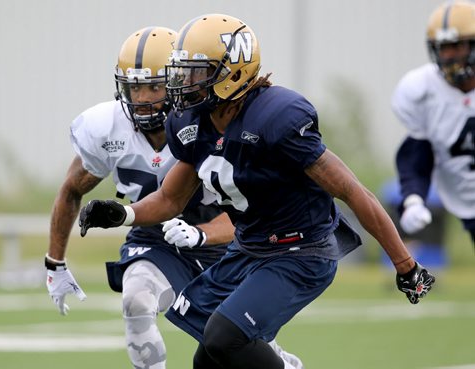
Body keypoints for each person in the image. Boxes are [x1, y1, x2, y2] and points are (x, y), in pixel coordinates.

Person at [78, 14, 436, 369]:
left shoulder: (275, 118)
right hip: (249, 248)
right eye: (182, 72)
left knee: (224, 337)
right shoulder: (191, 124)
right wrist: (123, 214)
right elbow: (171, 199)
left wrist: (405, 265)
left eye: (196, 73)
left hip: (300, 251)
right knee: (209, 356)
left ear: (232, 72)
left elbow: (353, 192)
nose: (184, 83)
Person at [45, 26, 236, 369]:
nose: (143, 98)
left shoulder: (210, 122)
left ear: (178, 82)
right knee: (136, 301)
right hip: (155, 240)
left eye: (154, 86)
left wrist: (203, 234)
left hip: (221, 244)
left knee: (235, 347)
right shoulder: (108, 128)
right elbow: (72, 188)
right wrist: (54, 263)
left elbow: (248, 213)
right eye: (134, 87)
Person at [392, 0, 475, 245]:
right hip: (468, 203)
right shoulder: (421, 90)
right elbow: (417, 153)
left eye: (456, 46)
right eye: (443, 47)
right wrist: (413, 199)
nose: (448, 55)